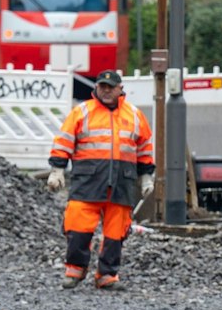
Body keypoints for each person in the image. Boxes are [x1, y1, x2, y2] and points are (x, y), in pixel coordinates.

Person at [48, 69, 153, 289]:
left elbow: (144, 147)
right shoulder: (82, 112)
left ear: (120, 89)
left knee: (116, 233)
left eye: (110, 87)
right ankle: (74, 271)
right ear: (96, 87)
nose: (105, 91)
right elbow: (64, 141)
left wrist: (146, 177)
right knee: (77, 227)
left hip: (122, 183)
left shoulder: (134, 115)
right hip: (87, 181)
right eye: (102, 87)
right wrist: (57, 169)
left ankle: (107, 275)